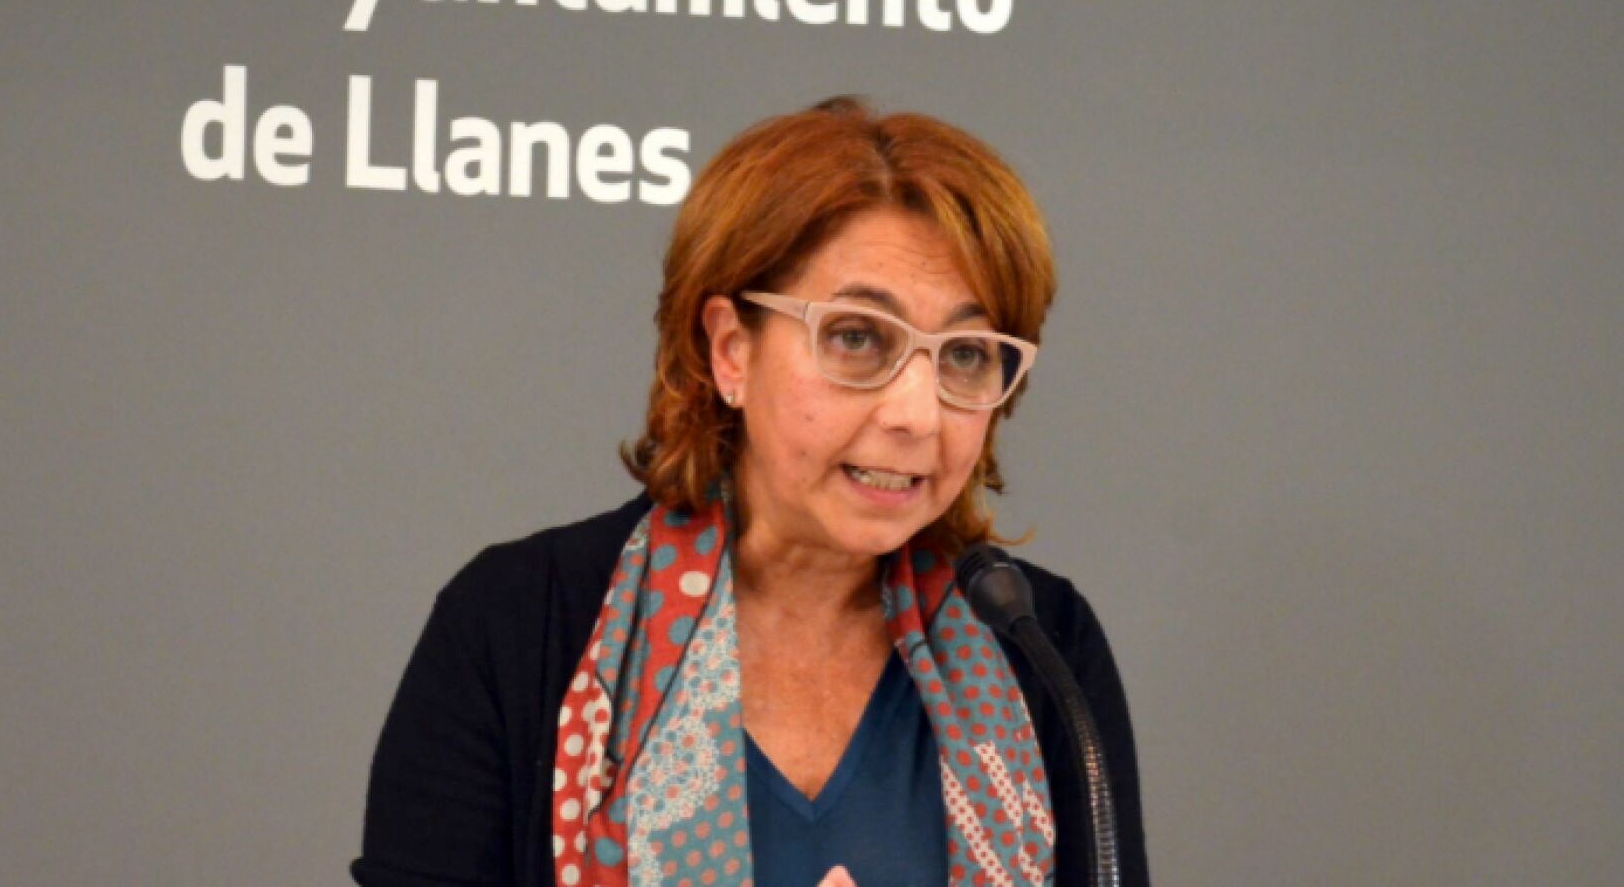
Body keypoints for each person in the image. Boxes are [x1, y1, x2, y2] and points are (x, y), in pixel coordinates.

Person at [352, 98, 1149, 887]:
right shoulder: (516, 623)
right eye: (856, 337)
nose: (916, 413)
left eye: (966, 354)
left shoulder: (1043, 648)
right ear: (731, 349)